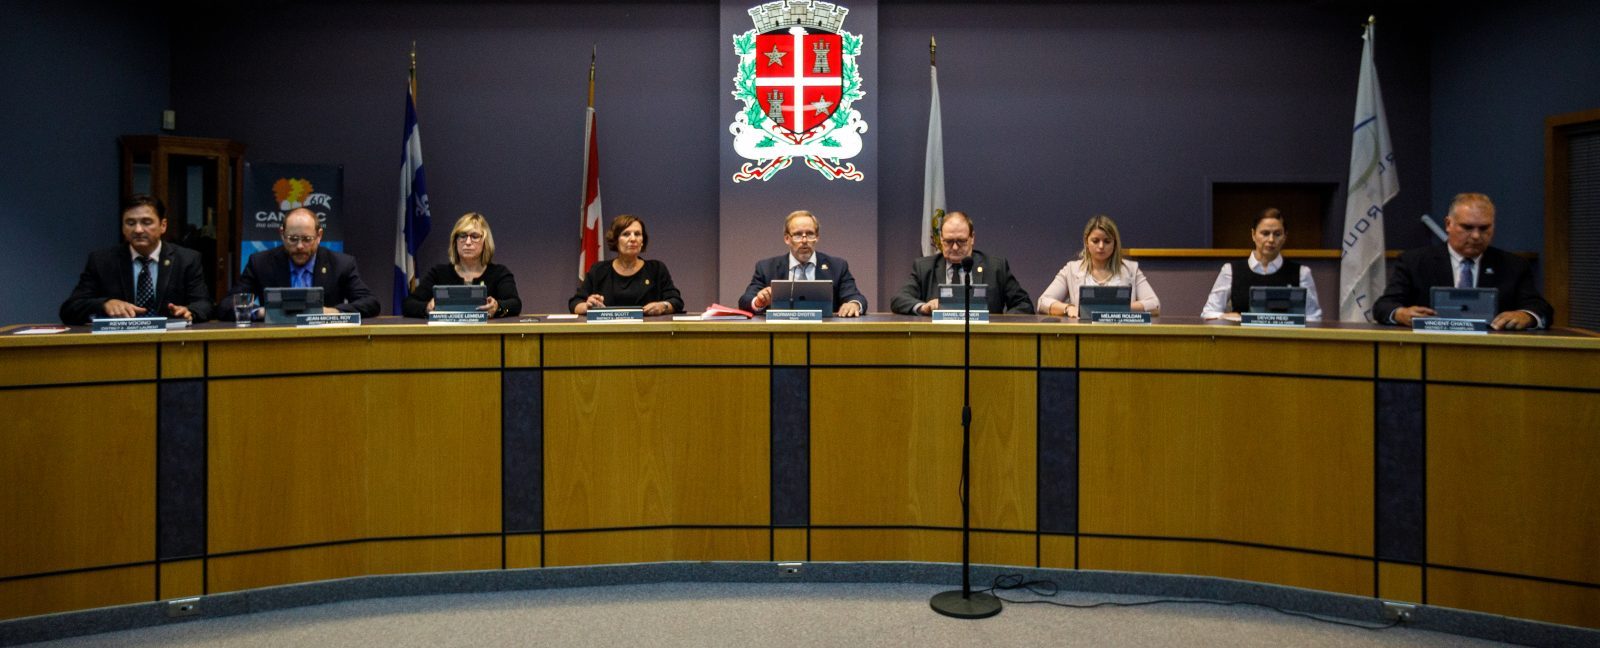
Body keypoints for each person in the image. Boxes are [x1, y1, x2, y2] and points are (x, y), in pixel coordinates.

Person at [1374, 192, 1552, 330]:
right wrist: (1400, 314)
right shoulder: (1414, 261)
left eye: (1484, 228)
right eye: (1467, 227)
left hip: (1493, 354)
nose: (1476, 236)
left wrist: (1526, 316)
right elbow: (1383, 306)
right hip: (1432, 351)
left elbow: (1541, 309)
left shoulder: (1513, 266)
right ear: (1448, 224)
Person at [60, 194, 213, 325]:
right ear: (123, 227)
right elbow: (70, 309)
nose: (138, 230)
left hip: (170, 345)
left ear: (163, 225)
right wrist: (104, 304)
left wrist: (189, 311)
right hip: (120, 346)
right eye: (130, 223)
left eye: (146, 222)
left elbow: (205, 304)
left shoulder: (186, 259)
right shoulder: (102, 261)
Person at [221, 207, 381, 320]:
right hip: (274, 342)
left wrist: (332, 311)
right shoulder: (260, 263)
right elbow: (226, 306)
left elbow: (370, 303)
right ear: (282, 234)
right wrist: (260, 312)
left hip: (324, 342)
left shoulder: (341, 263)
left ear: (319, 236)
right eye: (293, 239)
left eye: (306, 239)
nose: (299, 246)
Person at [738, 210, 867, 317]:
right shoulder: (766, 267)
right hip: (780, 333)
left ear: (817, 237)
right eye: (798, 235)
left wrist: (854, 304)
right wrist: (759, 302)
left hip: (824, 333)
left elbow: (856, 297)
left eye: (810, 234)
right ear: (787, 239)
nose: (804, 240)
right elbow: (745, 300)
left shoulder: (837, 266)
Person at [1201, 208, 1322, 321]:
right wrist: (1227, 316)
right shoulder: (1231, 271)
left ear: (1285, 236)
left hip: (1287, 341)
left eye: (1277, 234)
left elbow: (1314, 318)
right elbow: (1208, 313)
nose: (1271, 240)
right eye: (1265, 233)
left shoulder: (1301, 273)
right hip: (1242, 341)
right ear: (1253, 234)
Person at [1036, 214, 1160, 318]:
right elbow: (1043, 302)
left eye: (1107, 241)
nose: (1101, 246)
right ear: (1086, 242)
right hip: (1084, 334)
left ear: (1115, 243)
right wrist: (1068, 308)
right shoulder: (1071, 269)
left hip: (1122, 335)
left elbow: (1155, 305)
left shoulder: (1131, 269)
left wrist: (1118, 308)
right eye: (1095, 241)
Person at [402, 212, 521, 318]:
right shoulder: (439, 273)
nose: (468, 242)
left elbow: (515, 305)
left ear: (485, 242)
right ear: (455, 241)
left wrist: (498, 307)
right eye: (462, 236)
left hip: (487, 338)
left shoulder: (499, 273)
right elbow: (408, 305)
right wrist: (427, 308)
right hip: (447, 338)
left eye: (474, 236)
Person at [569, 214, 683, 315]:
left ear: (642, 241)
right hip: (607, 335)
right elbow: (575, 303)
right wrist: (588, 306)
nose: (633, 239)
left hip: (648, 334)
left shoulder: (656, 269)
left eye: (637, 234)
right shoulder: (599, 270)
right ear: (615, 240)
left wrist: (663, 306)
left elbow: (676, 301)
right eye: (626, 234)